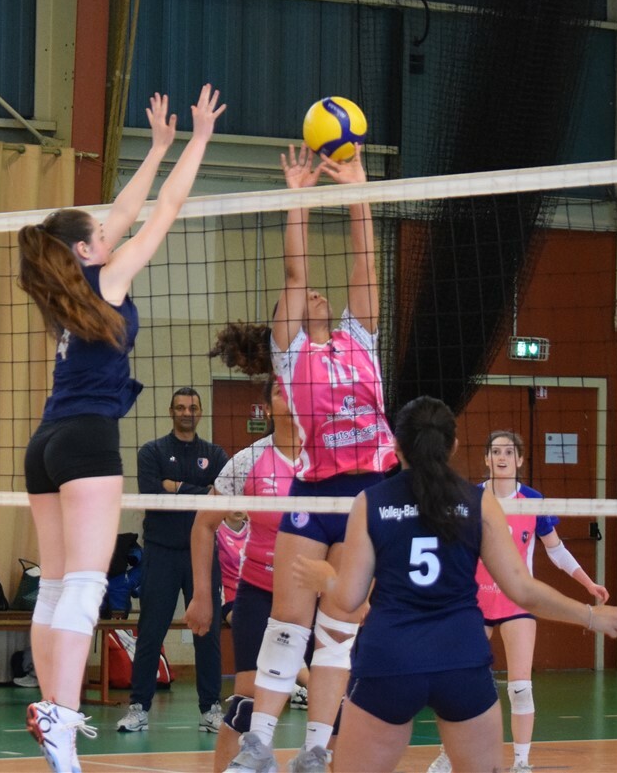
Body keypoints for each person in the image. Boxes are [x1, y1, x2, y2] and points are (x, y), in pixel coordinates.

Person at [18, 84, 227, 772]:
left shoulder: (66, 291)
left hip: (44, 444)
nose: (112, 230)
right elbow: (162, 210)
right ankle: (59, 717)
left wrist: (159, 147)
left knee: (55, 585)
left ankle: (50, 708)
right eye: (101, 233)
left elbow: (124, 212)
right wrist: (197, 140)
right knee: (83, 584)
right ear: (86, 248)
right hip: (86, 440)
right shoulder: (106, 282)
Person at [292, 396, 617, 773]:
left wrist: (326, 577)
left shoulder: (370, 502)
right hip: (461, 658)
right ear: (453, 446)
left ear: (396, 445)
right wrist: (590, 616)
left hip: (391, 659)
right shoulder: (479, 502)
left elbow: (349, 599)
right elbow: (523, 589)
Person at [225, 146, 399, 773]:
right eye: (306, 300)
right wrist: (297, 195)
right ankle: (258, 745)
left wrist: (356, 188)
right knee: (287, 620)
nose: (317, 296)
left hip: (367, 494)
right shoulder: (291, 352)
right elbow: (296, 273)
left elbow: (364, 261)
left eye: (326, 297)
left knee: (339, 625)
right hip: (314, 489)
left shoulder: (361, 339)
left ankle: (318, 748)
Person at [426, 429, 610, 773]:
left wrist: (588, 583)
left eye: (509, 452)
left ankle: (522, 763)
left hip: (516, 603)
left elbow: (556, 550)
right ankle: (448, 754)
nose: (502, 457)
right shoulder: (470, 498)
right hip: (475, 603)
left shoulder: (533, 501)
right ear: (486, 458)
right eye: (495, 451)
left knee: (521, 687)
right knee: (457, 680)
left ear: (520, 459)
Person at [187, 365, 302, 773]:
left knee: (337, 704)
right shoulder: (249, 460)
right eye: (280, 392)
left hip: (316, 596)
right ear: (267, 406)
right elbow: (203, 525)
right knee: (247, 702)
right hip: (260, 592)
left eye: (298, 389)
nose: (290, 398)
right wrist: (203, 596)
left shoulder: (327, 460)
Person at [117, 387, 229, 734]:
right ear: (171, 412)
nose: (186, 413)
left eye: (192, 407)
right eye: (180, 407)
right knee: (151, 631)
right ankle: (138, 707)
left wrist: (176, 486)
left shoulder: (215, 454)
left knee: (207, 631)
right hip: (161, 552)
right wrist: (200, 491)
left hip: (202, 554)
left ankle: (211, 708)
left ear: (200, 412)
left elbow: (222, 498)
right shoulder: (152, 452)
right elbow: (152, 494)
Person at [215, 510, 249, 624]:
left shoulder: (255, 530)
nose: (238, 509)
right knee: (243, 623)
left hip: (253, 594)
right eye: (233, 503)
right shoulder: (215, 530)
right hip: (229, 596)